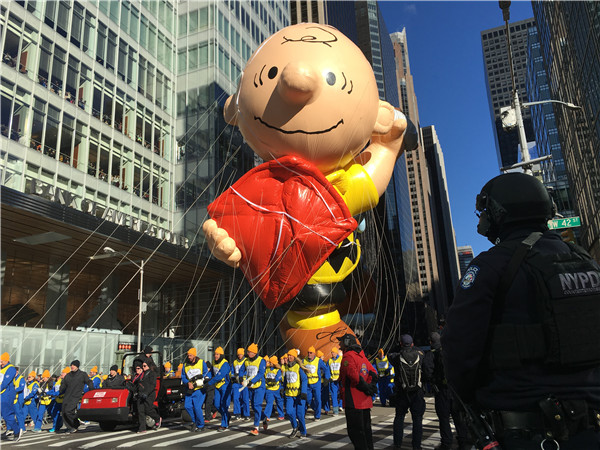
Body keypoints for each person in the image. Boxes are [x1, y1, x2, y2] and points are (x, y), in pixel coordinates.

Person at [442, 172, 600, 450]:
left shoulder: (490, 267)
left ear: (498, 212)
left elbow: (458, 350)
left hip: (529, 432)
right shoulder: (586, 261)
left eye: (484, 212)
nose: (481, 220)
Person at [422, 332, 469, 450]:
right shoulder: (451, 351)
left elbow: (427, 371)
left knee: (444, 419)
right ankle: (463, 443)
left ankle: (446, 443)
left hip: (442, 390)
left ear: (431, 342)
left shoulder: (432, 354)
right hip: (455, 390)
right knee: (459, 418)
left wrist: (432, 381)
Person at [338, 334, 377, 450]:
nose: (339, 344)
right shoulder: (362, 356)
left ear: (346, 343)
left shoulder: (348, 357)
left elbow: (353, 376)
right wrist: (370, 386)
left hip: (354, 401)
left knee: (355, 432)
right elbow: (373, 373)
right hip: (365, 401)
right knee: (366, 431)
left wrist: (365, 386)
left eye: (341, 342)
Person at [388, 334, 425, 450]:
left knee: (399, 418)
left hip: (402, 392)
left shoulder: (397, 357)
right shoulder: (419, 355)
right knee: (417, 420)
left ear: (401, 344)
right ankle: (417, 445)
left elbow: (389, 354)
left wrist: (398, 346)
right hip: (417, 392)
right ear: (412, 344)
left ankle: (397, 444)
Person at [59, 360, 94, 434]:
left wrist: (91, 390)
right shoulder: (68, 375)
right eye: (71, 365)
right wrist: (60, 390)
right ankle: (70, 427)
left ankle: (75, 424)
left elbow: (89, 382)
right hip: (67, 395)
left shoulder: (82, 374)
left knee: (69, 411)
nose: (72, 366)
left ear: (77, 366)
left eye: (74, 365)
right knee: (64, 412)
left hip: (76, 395)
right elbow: (63, 385)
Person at [128, 360, 161, 433]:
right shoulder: (141, 374)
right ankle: (142, 428)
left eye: (144, 366)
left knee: (148, 408)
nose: (143, 367)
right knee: (140, 411)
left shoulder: (152, 374)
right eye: (142, 366)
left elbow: (152, 385)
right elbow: (137, 385)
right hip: (140, 394)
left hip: (149, 394)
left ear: (149, 366)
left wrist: (146, 393)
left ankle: (157, 418)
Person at [181, 347, 210, 432]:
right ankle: (195, 421)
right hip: (189, 388)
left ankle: (201, 425)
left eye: (190, 355)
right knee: (187, 406)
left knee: (197, 407)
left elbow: (206, 373)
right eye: (188, 355)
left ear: (194, 355)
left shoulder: (201, 362)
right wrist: (188, 383)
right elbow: (183, 376)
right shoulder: (185, 364)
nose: (189, 357)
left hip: (199, 389)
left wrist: (201, 379)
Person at [205, 347, 232, 431]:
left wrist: (209, 383)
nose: (216, 356)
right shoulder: (213, 362)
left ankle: (224, 424)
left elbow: (220, 376)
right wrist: (205, 379)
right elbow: (212, 373)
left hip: (225, 386)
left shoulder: (225, 364)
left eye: (217, 354)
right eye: (215, 354)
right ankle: (227, 415)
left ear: (221, 355)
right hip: (217, 386)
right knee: (217, 404)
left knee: (224, 405)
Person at [284, 349, 308, 439]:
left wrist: (303, 392)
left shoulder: (298, 367)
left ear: (294, 357)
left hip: (299, 394)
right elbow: (286, 380)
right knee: (289, 411)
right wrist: (283, 389)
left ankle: (303, 431)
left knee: (300, 414)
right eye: (288, 355)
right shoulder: (286, 367)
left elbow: (304, 379)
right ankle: (295, 426)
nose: (289, 357)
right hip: (289, 394)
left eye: (291, 355)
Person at [242, 343, 266, 435]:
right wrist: (240, 378)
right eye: (247, 352)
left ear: (254, 353)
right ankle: (263, 417)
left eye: (249, 352)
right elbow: (241, 370)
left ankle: (256, 427)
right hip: (250, 387)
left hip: (259, 386)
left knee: (256, 405)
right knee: (254, 406)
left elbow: (261, 373)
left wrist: (253, 381)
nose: (248, 353)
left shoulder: (261, 361)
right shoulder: (246, 360)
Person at [303, 345, 330, 421]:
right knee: (309, 399)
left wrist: (327, 379)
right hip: (308, 383)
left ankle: (317, 416)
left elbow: (326, 369)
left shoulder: (318, 361)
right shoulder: (304, 360)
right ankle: (316, 409)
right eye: (308, 353)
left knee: (318, 399)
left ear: (314, 353)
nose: (309, 354)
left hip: (316, 382)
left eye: (311, 353)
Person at [1, 353, 21, 441]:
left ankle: (16, 431)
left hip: (6, 394)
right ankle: (9, 430)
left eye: (1, 361)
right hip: (2, 394)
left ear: (6, 360)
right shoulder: (2, 369)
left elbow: (5, 382)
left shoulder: (10, 369)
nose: (0, 363)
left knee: (7, 414)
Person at [262, 355, 284, 429]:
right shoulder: (267, 369)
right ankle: (267, 416)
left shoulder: (278, 370)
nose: (269, 363)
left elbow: (278, 378)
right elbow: (264, 376)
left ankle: (281, 414)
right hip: (269, 389)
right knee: (269, 402)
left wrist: (273, 380)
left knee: (279, 401)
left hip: (277, 388)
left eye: (270, 362)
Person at [48, 367, 69, 433]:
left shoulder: (68, 381)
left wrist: (55, 394)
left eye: (63, 373)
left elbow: (61, 391)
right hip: (57, 401)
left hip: (65, 401)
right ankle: (55, 427)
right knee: (54, 413)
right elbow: (54, 389)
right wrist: (47, 393)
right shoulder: (58, 381)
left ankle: (69, 427)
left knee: (66, 415)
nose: (61, 374)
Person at [230, 348, 249, 421]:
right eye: (238, 354)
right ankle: (237, 414)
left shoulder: (246, 361)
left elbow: (247, 371)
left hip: (244, 382)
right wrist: (232, 377)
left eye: (240, 354)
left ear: (243, 354)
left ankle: (246, 414)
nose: (239, 356)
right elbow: (232, 371)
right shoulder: (234, 362)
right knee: (235, 398)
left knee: (245, 399)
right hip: (236, 383)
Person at [328, 346, 343, 416]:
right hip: (333, 380)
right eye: (331, 352)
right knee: (333, 395)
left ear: (336, 353)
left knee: (341, 393)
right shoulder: (329, 361)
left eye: (333, 352)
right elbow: (327, 370)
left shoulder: (341, 359)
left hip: (340, 379)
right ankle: (335, 410)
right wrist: (328, 378)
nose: (332, 353)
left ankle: (341, 405)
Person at [12, 367, 26, 437]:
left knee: (19, 414)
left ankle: (22, 428)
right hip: (12, 399)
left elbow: (21, 387)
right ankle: (10, 428)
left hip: (18, 399)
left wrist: (14, 390)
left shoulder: (21, 378)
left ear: (17, 371)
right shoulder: (12, 378)